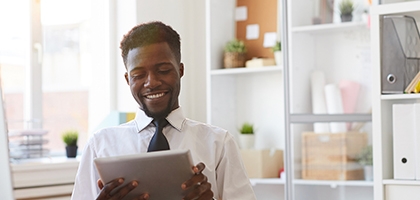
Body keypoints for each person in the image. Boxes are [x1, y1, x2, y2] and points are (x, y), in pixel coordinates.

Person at [71, 21, 256, 200]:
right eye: (139, 75)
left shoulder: (218, 144)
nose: (151, 82)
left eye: (163, 70)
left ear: (180, 70)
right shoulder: (100, 145)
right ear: (128, 79)